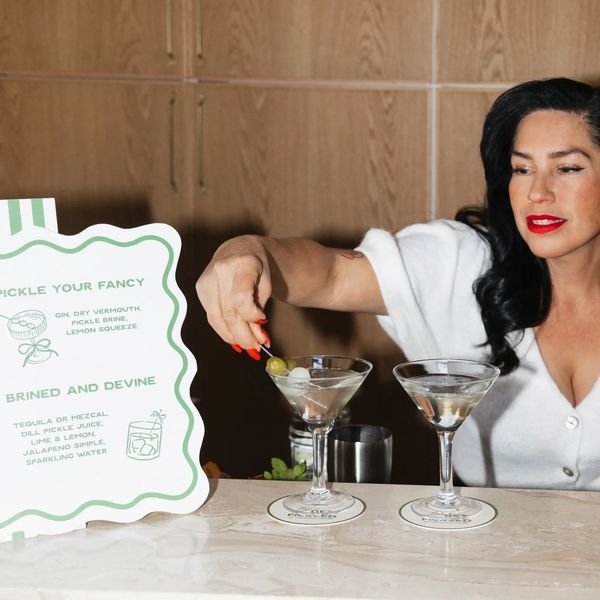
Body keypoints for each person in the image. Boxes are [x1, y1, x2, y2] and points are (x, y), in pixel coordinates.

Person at [197, 77, 600, 491]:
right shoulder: (460, 261)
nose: (538, 193)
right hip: (481, 526)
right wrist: (249, 251)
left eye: (567, 168)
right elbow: (331, 276)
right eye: (522, 169)